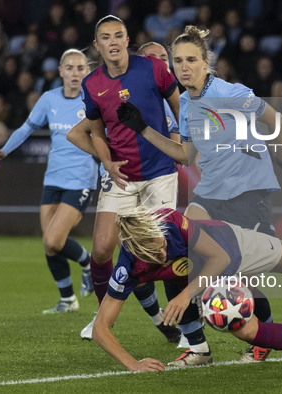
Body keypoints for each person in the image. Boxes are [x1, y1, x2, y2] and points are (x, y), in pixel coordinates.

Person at [116, 25, 282, 363]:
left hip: (247, 195)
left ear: (206, 61)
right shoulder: (185, 101)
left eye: (191, 60)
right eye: (178, 61)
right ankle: (197, 346)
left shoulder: (232, 92)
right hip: (210, 195)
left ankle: (263, 338)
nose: (184, 67)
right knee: (173, 256)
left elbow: (278, 121)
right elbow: (186, 156)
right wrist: (142, 128)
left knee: (241, 278)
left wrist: (279, 153)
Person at [91, 206, 282, 372]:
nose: (162, 251)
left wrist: (185, 295)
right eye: (155, 253)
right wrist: (132, 363)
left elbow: (220, 258)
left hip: (233, 245)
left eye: (162, 244)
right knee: (247, 331)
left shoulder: (171, 222)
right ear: (136, 252)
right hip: (204, 276)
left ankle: (250, 292)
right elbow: (100, 328)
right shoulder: (129, 267)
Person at [66, 16, 182, 343]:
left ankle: (187, 328)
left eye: (118, 35)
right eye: (106, 37)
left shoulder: (153, 69)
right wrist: (107, 162)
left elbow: (181, 108)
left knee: (163, 252)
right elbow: (95, 131)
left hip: (160, 173)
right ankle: (103, 317)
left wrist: (185, 146)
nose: (113, 42)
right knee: (102, 248)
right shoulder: (92, 84)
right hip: (121, 177)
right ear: (97, 44)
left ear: (127, 39)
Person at [0, 49, 99, 314]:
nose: (75, 73)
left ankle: (88, 263)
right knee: (50, 246)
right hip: (53, 178)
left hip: (81, 178)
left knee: (53, 239)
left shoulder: (93, 102)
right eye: (70, 68)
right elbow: (27, 128)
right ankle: (68, 300)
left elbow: (105, 140)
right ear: (60, 71)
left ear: (88, 72)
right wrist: (5, 149)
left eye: (81, 68)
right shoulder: (49, 99)